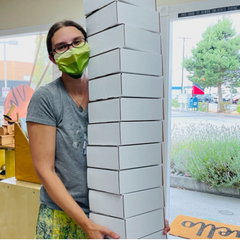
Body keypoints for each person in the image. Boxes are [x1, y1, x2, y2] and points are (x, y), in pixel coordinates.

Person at [26, 20, 170, 239]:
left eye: (77, 42)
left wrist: (146, 213)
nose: (72, 51)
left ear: (88, 44)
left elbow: (133, 159)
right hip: (62, 215)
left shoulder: (110, 91)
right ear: (52, 58)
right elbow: (45, 170)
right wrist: (86, 224)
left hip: (107, 211)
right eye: (62, 46)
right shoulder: (46, 98)